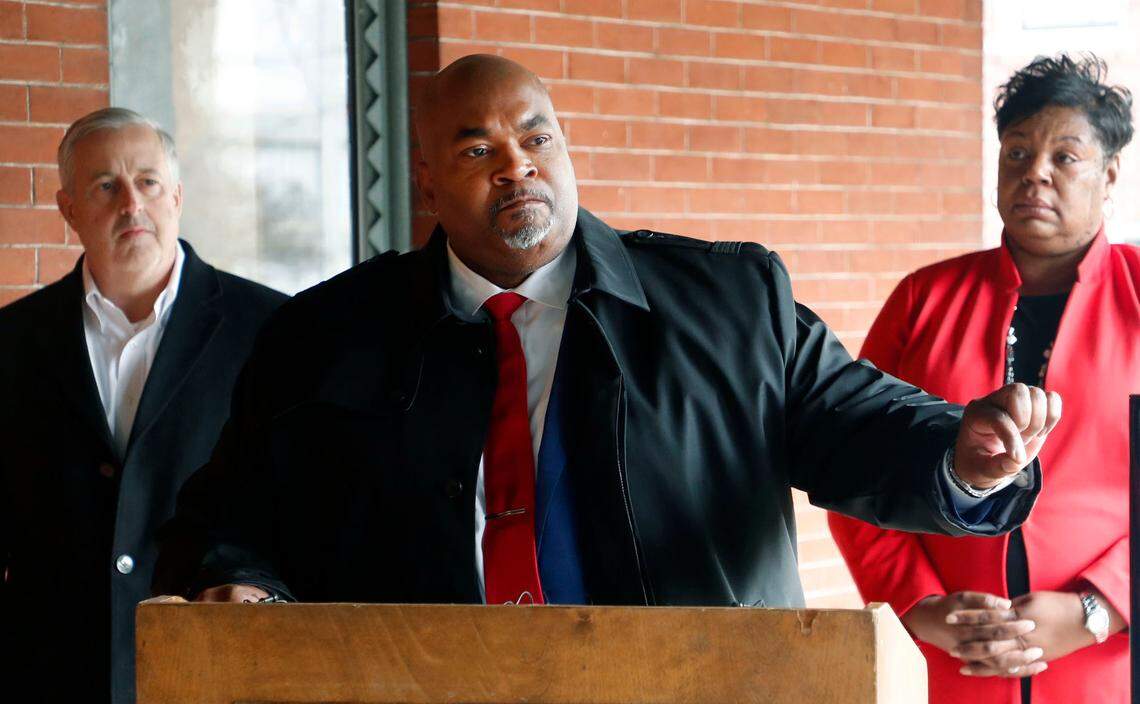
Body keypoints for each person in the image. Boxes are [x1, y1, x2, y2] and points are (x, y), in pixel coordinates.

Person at [158, 55, 1058, 625]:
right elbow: (231, 515)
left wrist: (961, 457)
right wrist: (244, 582)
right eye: (476, 151)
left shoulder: (731, 302)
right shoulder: (325, 334)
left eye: (535, 137)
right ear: (426, 182)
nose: (517, 165)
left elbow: (855, 422)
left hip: (692, 689)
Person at [829, 54, 1133, 704]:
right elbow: (854, 461)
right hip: (949, 664)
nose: (1035, 173)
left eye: (1064, 156)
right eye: (1017, 152)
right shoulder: (923, 300)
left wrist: (1100, 608)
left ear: (1109, 175)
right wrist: (918, 604)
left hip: (1109, 665)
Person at [0, 108, 287, 703]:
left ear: (176, 195)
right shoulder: (12, 340)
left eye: (148, 182)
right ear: (68, 209)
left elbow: (303, 503)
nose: (132, 204)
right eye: (106, 185)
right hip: (46, 674)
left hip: (212, 672)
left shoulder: (271, 329)